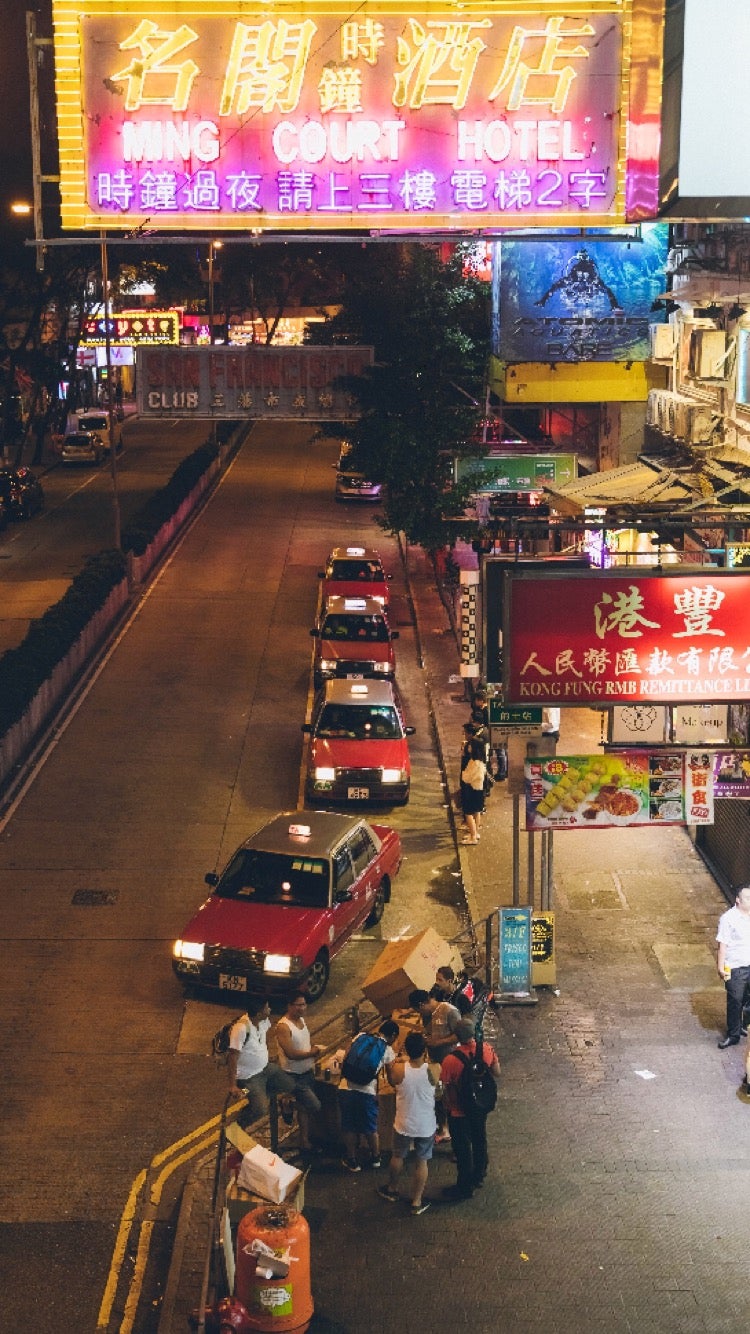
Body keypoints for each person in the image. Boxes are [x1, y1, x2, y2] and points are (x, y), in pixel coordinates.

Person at [440, 1018, 500, 1200]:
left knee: (463, 1148)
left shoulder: (450, 1060)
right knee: (480, 1139)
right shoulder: (487, 1050)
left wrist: (447, 1107)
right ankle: (479, 1175)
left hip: (459, 1111)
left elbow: (446, 1088)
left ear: (456, 1036)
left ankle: (464, 1187)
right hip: (480, 1106)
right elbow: (497, 1072)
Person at [378, 1032, 437, 1214]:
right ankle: (417, 1201)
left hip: (404, 1122)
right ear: (424, 1050)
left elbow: (391, 1080)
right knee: (422, 1161)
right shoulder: (434, 1069)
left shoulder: (399, 1070)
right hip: (426, 1124)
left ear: (406, 1050)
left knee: (398, 1156)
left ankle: (392, 1188)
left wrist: (400, 1059)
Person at [338, 1019, 399, 1172]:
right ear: (393, 1035)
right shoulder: (388, 1050)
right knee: (370, 1128)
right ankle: (375, 1158)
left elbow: (345, 1059)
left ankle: (351, 1160)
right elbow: (391, 1078)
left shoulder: (359, 1037)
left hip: (346, 1087)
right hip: (367, 1092)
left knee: (349, 1125)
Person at [227, 1000, 296, 1130]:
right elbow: (232, 1056)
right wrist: (232, 1085)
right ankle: (237, 1126)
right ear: (259, 1014)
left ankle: (260, 1095)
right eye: (267, 1008)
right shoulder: (241, 1029)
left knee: (290, 1085)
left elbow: (263, 1039)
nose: (269, 1010)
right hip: (249, 1077)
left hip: (265, 1068)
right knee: (261, 1109)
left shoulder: (263, 1021)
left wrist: (265, 1056)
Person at [275, 993, 323, 1150]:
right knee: (314, 1105)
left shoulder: (301, 1021)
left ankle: (304, 1142)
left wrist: (312, 1055)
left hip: (307, 1071)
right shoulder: (283, 1027)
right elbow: (291, 1053)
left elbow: (303, 1044)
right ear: (289, 1006)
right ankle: (286, 1102)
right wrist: (312, 1052)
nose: (302, 1008)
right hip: (293, 1075)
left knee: (303, 1109)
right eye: (298, 1005)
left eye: (304, 1004)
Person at [716, 886, 750, 1047]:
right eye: (747, 898)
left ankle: (743, 1025)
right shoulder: (728, 919)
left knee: (746, 998)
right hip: (735, 967)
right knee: (735, 1000)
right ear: (738, 899)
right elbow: (723, 944)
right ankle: (733, 1034)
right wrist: (721, 966)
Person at [460, 736, 486, 844]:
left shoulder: (475, 762)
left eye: (471, 745)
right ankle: (475, 832)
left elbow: (467, 777)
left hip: (472, 790)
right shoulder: (481, 761)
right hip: (478, 789)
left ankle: (473, 836)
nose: (469, 747)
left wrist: (463, 774)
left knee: (468, 813)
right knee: (477, 811)